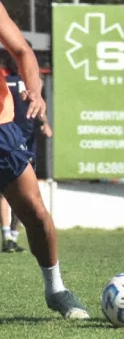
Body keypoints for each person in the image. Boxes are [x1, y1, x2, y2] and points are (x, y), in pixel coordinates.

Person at [0, 4, 88, 319]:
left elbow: (23, 51)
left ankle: (56, 289)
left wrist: (35, 92)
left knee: (35, 213)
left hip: (1, 128)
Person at [0, 49, 53, 253]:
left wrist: (44, 123)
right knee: (5, 190)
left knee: (27, 195)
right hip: (7, 137)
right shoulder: (5, 80)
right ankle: (6, 235)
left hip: (26, 140)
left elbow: (38, 106)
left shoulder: (33, 82)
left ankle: (13, 236)